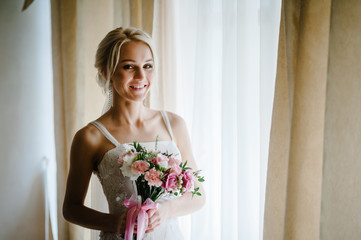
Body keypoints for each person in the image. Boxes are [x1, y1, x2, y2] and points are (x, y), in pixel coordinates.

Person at [63, 27, 205, 240]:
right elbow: (71, 208)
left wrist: (166, 210)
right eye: (129, 67)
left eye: (148, 66)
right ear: (106, 72)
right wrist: (113, 222)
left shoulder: (174, 125)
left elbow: (199, 195)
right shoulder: (90, 137)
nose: (141, 76)